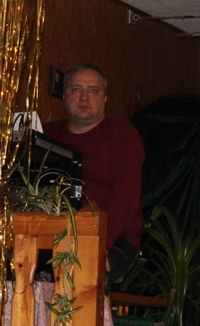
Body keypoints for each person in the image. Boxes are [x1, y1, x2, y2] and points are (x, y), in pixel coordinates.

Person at [43, 63, 145, 292]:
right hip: (52, 234)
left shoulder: (123, 135)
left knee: (85, 277)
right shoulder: (46, 135)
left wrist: (99, 245)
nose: (84, 97)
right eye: (76, 89)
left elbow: (126, 196)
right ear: (64, 96)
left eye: (93, 90)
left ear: (105, 98)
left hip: (114, 236)